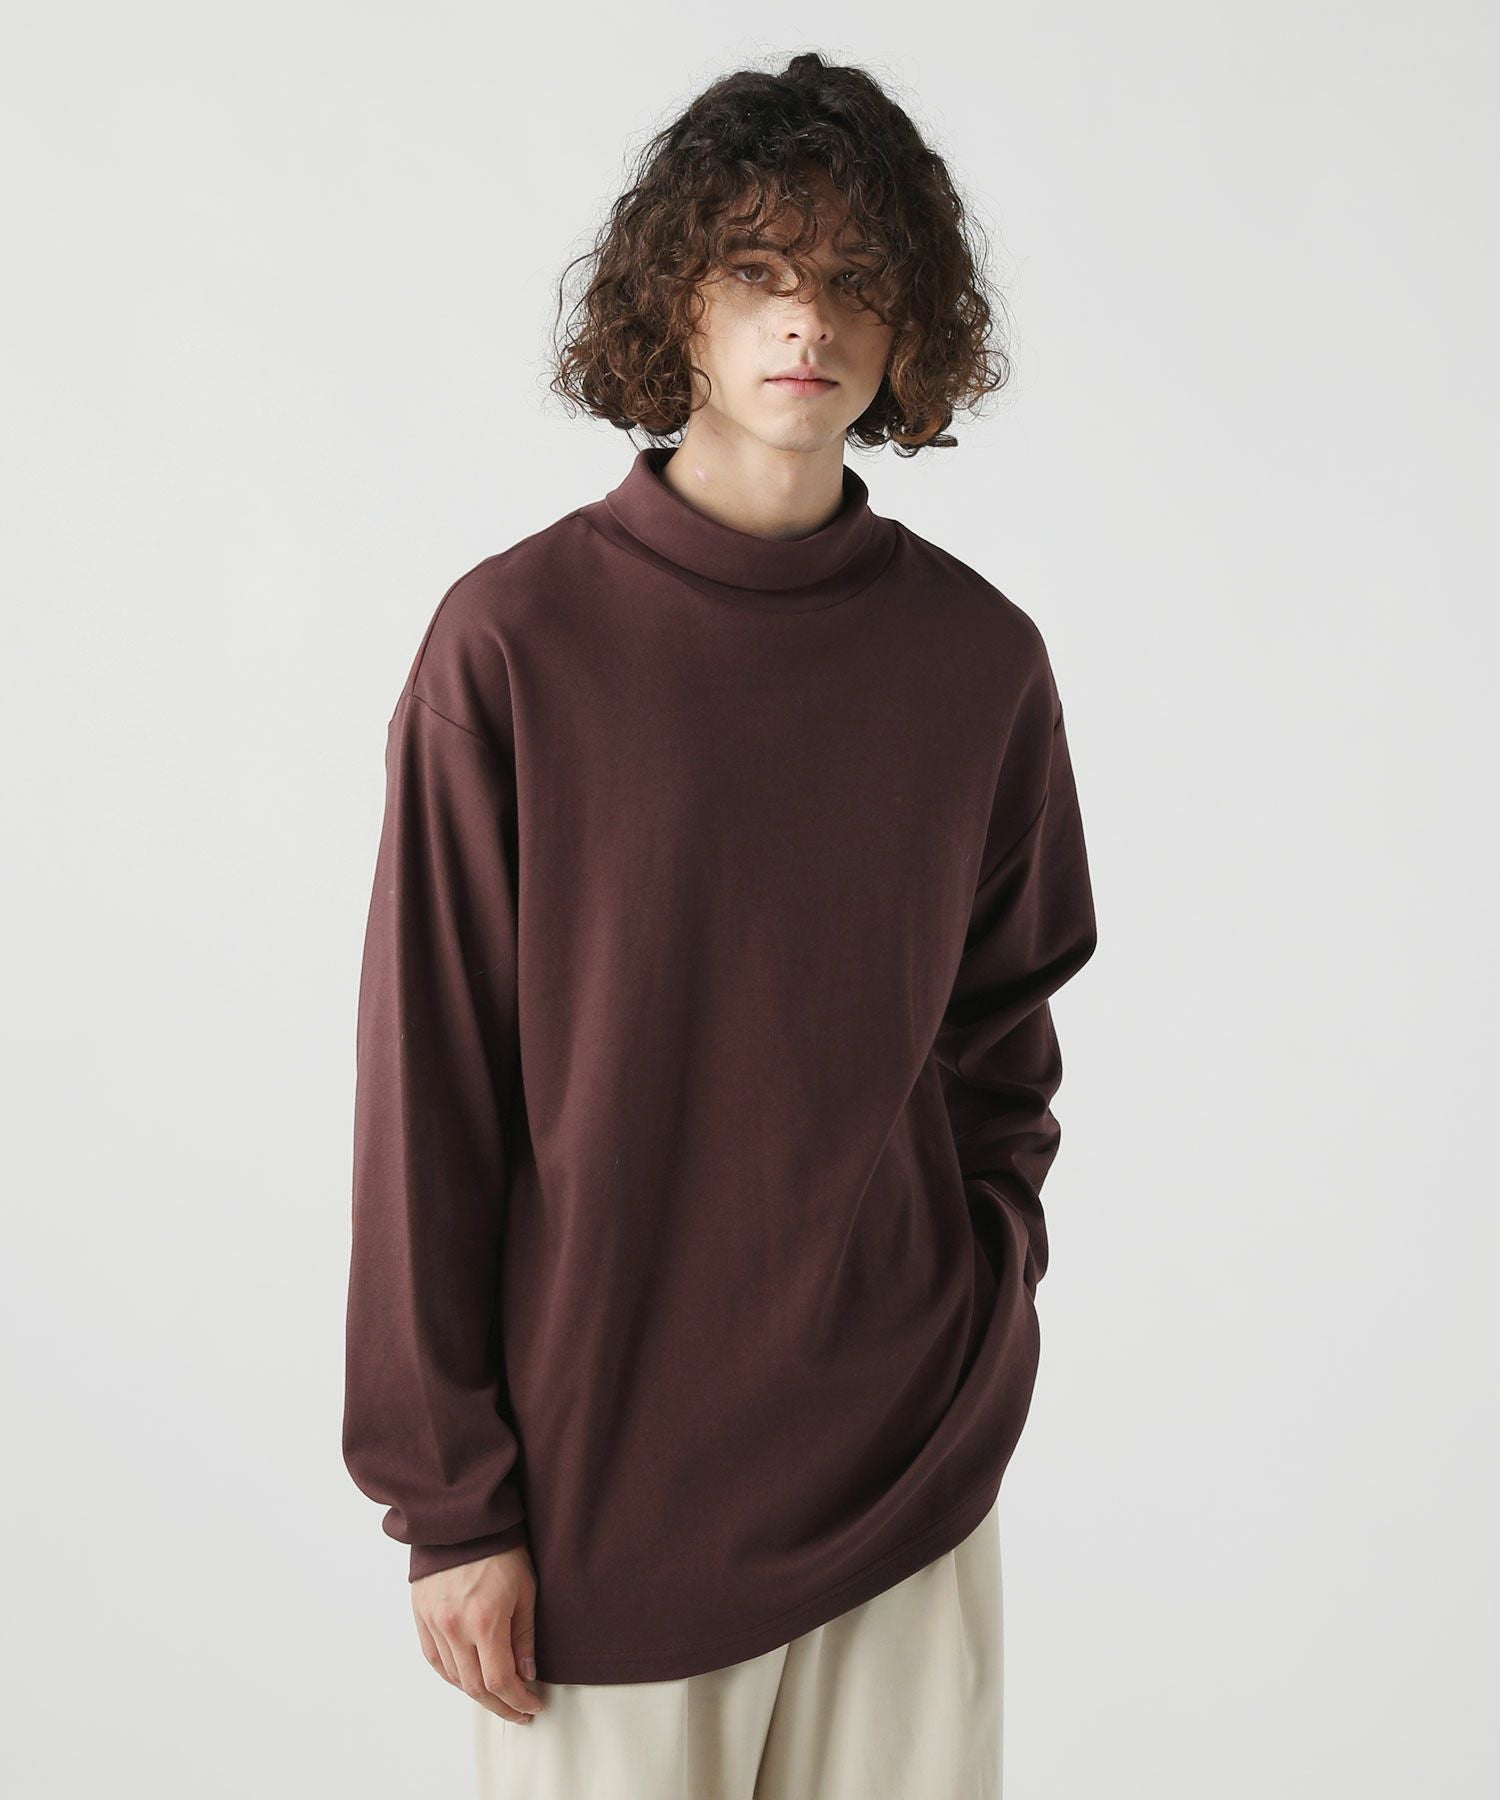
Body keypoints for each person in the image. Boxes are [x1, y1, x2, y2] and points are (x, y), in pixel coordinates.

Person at [342, 49, 1099, 1800]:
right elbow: (428, 1094)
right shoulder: (512, 646)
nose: (807, 319)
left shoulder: (980, 665)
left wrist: (984, 1295)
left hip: (906, 1478)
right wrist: (451, 1503)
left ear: (912, 324)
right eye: (760, 269)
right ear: (675, 299)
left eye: (853, 278)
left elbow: (1005, 1044)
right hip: (599, 1505)